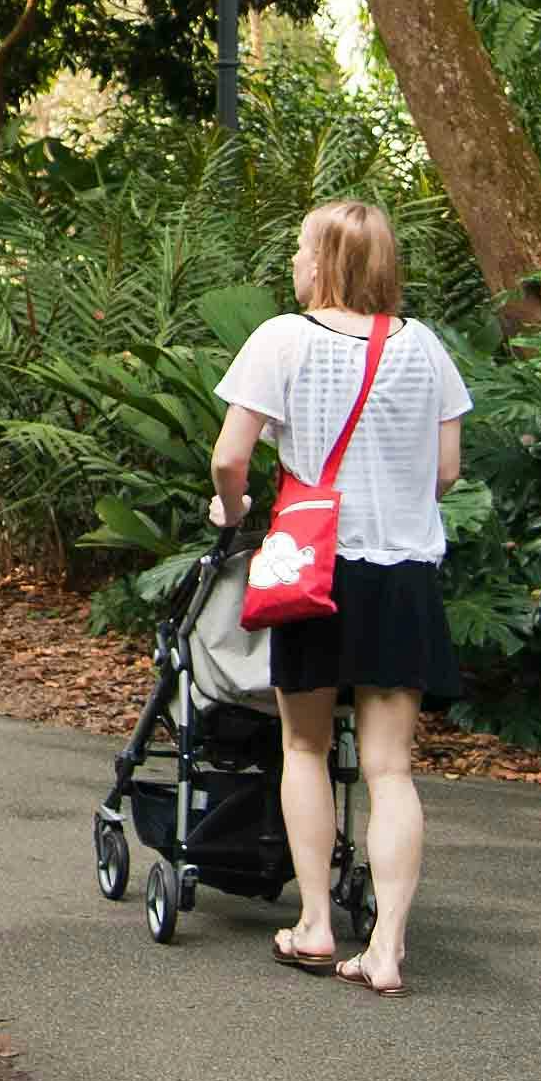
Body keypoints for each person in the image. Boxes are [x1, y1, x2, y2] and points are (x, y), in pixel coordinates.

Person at [205, 198, 469, 999]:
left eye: (299, 248)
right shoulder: (424, 347)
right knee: (391, 768)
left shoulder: (283, 338)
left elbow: (229, 458)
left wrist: (236, 508)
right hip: (402, 571)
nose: (293, 261)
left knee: (305, 748)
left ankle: (316, 924)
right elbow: (447, 471)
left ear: (322, 262)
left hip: (315, 570)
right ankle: (386, 948)